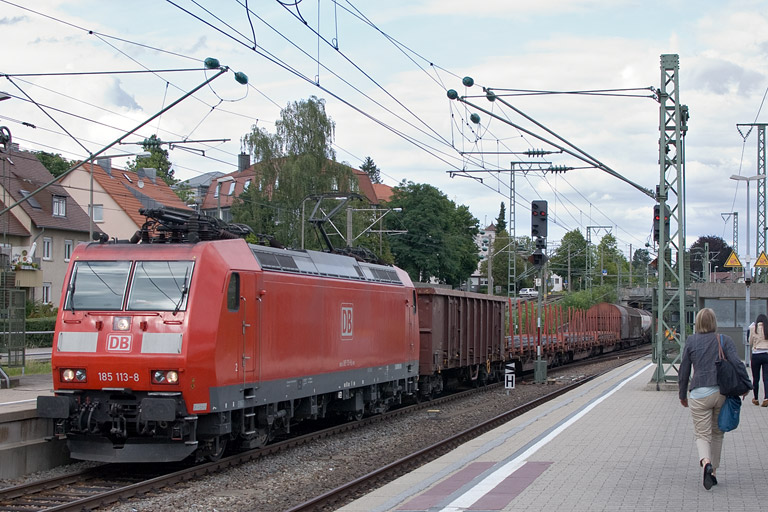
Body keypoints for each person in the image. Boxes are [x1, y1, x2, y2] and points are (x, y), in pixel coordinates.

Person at [679, 308, 742, 490]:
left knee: (702, 434)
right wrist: (746, 386)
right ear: (714, 322)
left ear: (697, 322)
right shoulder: (724, 340)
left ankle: (705, 462)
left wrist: (682, 394)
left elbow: (684, 371)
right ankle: (713, 472)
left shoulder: (691, 341)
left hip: (699, 393)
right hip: (720, 393)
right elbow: (737, 364)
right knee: (717, 433)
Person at [748, 314, 768, 406]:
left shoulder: (753, 328)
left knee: (756, 378)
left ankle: (755, 398)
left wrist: (750, 330)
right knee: (766, 377)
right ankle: (766, 398)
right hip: (767, 354)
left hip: (756, 354)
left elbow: (750, 342)